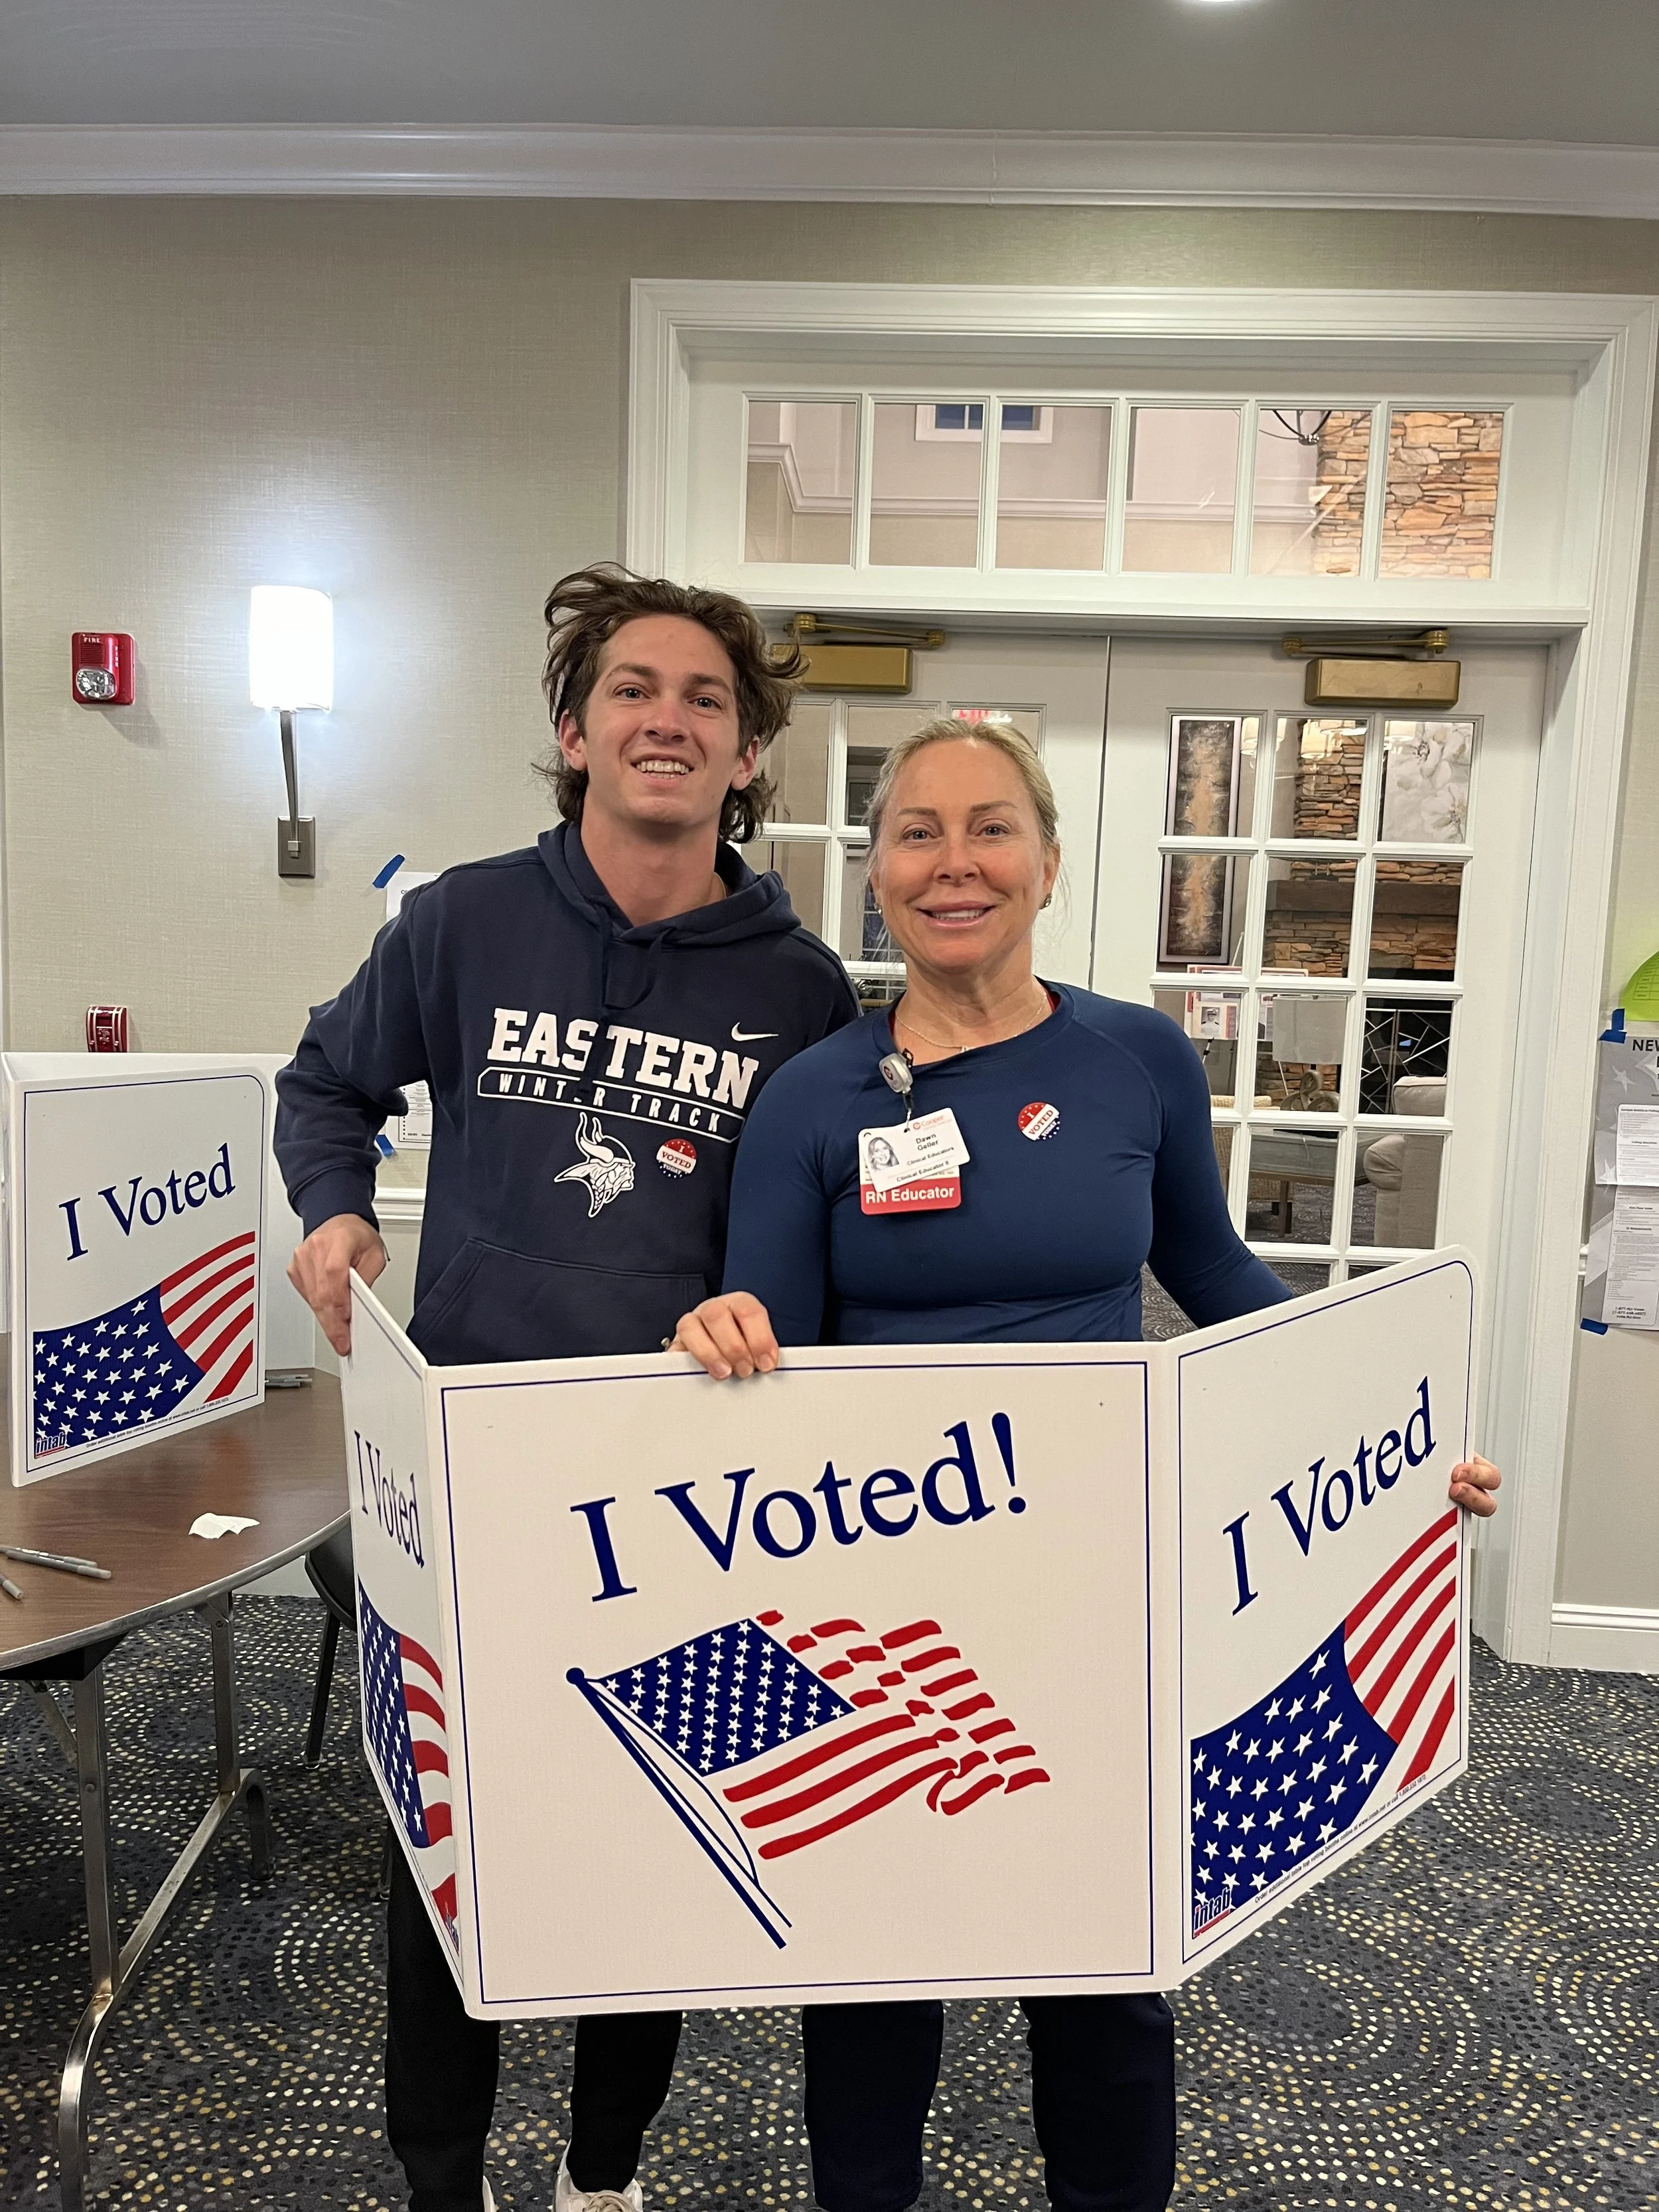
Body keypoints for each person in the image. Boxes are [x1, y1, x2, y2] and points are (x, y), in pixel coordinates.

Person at [672, 715, 1502, 2212]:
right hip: (890, 1591)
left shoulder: (1133, 1058)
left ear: (1046, 859)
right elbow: (773, 1359)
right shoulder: (812, 1097)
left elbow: (1215, 1272)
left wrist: (1395, 1426)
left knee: (1107, 1965)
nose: (953, 862)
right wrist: (730, 1332)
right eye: (915, 833)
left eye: (988, 826)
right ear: (876, 880)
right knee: (876, 1961)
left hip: (1092, 1577)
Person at [274, 565, 859, 2212]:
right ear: (573, 730)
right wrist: (331, 1213)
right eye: (632, 690)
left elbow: (812, 1236)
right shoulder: (460, 920)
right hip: (467, 1472)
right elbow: (325, 1082)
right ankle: (439, 2178)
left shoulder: (798, 987)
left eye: (704, 701)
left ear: (747, 758)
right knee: (442, 1852)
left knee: (650, 1843)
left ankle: (602, 2177)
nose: (666, 718)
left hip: (682, 1491)